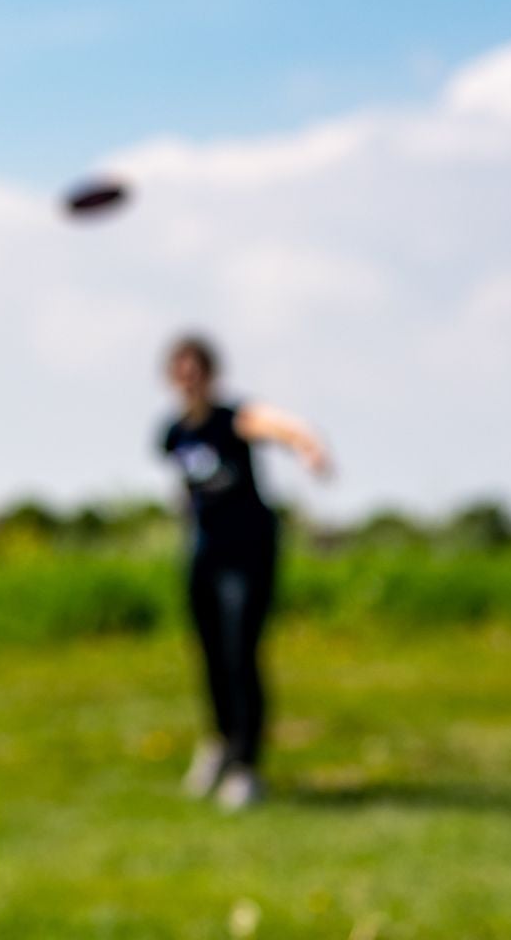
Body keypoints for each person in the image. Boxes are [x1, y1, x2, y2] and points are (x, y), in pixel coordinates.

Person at [159, 334, 330, 811]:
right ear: (172, 377)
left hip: (249, 554)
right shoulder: (173, 432)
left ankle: (246, 766)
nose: (189, 378)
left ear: (210, 374)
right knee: (210, 654)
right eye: (181, 370)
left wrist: (308, 444)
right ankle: (218, 743)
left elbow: (276, 425)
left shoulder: (233, 417)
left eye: (197, 369)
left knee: (240, 652)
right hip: (203, 555)